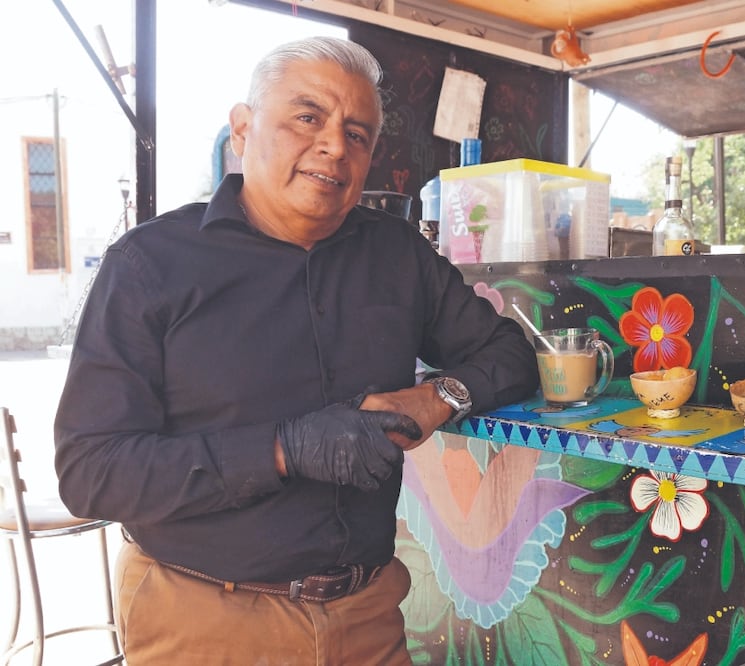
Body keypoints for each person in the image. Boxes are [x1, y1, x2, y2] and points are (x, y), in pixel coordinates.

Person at [54, 36, 539, 665]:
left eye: (358, 134)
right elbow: (91, 472)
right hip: (206, 620)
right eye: (308, 117)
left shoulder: (396, 257)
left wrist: (438, 396)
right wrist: (285, 450)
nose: (335, 145)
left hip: (368, 616)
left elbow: (510, 353)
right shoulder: (151, 265)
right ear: (243, 130)